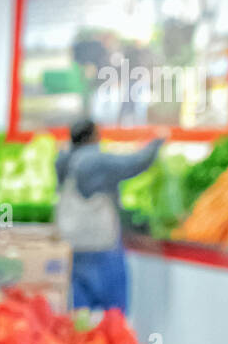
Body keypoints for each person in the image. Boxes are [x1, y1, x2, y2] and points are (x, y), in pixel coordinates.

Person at [56, 118, 164, 313]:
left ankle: (83, 342)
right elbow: (136, 163)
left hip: (73, 246)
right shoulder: (93, 158)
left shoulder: (64, 159)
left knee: (80, 314)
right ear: (92, 135)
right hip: (100, 248)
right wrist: (159, 140)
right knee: (113, 315)